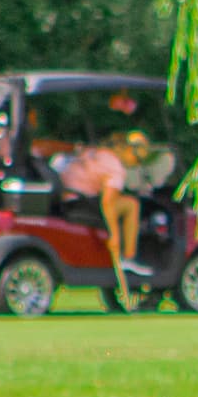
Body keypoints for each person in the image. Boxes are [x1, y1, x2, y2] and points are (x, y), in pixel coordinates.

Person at [56, 129, 145, 303]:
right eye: (137, 157)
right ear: (127, 150)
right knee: (131, 205)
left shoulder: (97, 152)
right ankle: (128, 256)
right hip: (81, 203)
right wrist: (114, 235)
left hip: (66, 199)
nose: (137, 162)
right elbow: (108, 202)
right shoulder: (116, 168)